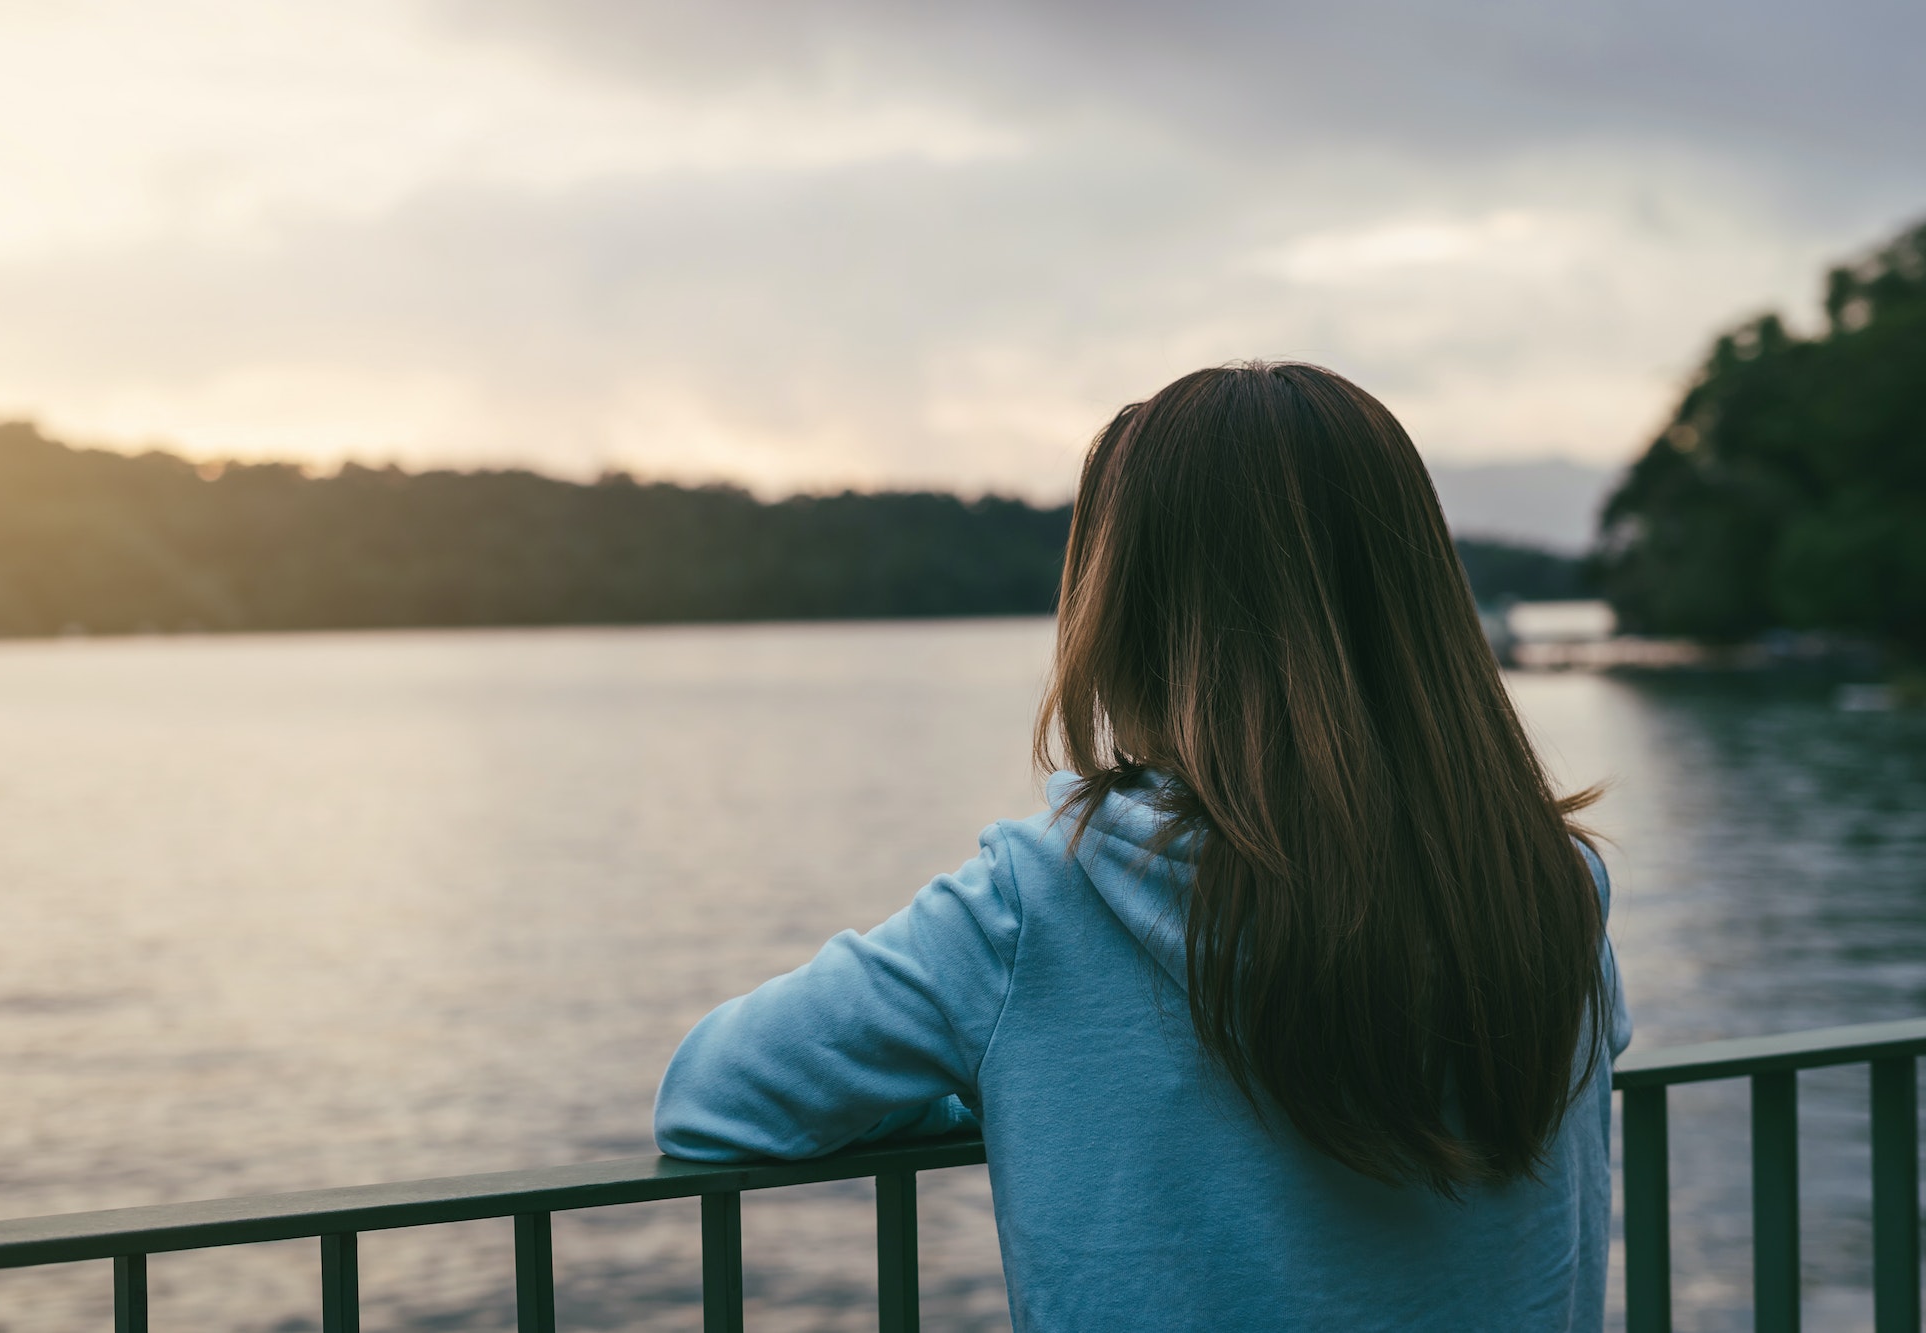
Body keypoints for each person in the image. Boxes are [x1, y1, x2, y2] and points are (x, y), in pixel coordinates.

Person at [653, 361, 1629, 1330]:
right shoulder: (1551, 887)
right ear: (1420, 597)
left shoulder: (1031, 906)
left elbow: (711, 1098)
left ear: (1122, 613)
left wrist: (995, 1082)